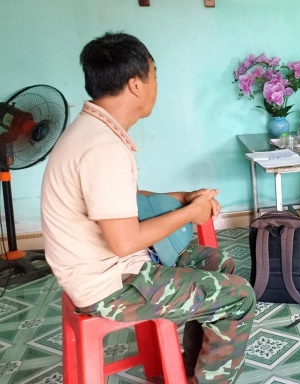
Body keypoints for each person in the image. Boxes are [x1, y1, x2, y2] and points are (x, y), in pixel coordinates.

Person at [41, 32, 255, 384]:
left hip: (107, 268)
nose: (156, 85)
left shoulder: (92, 131)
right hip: (110, 286)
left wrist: (183, 197)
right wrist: (190, 214)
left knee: (222, 265)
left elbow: (120, 198)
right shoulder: (103, 149)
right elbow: (123, 242)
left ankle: (190, 371)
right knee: (239, 296)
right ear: (136, 84)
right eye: (155, 75)